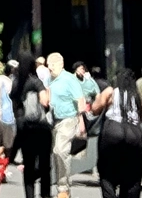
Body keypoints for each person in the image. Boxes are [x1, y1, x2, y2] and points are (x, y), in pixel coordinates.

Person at [92, 73, 142, 198]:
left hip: (112, 132)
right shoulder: (136, 94)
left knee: (106, 173)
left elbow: (95, 109)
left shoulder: (110, 91)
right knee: (134, 175)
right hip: (134, 135)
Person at [15, 52, 57, 198]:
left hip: (24, 130)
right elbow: (45, 101)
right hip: (41, 129)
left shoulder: (16, 83)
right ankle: (45, 195)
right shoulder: (36, 81)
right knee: (45, 166)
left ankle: (29, 195)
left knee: (28, 167)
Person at [47, 51, 88, 198]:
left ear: (60, 64)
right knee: (56, 155)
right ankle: (62, 187)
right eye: (48, 65)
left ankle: (63, 188)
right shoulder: (50, 80)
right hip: (54, 121)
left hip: (68, 120)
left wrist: (81, 121)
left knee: (60, 150)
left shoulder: (70, 79)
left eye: (52, 64)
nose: (49, 67)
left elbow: (81, 100)